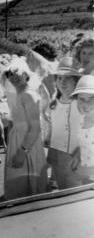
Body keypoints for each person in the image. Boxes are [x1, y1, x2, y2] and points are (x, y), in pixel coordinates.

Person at [0, 57, 48, 200]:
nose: (12, 77)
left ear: (26, 74)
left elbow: (35, 127)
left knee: (23, 183)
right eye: (9, 74)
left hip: (26, 144)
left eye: (16, 73)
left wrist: (22, 152)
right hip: (20, 140)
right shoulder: (21, 94)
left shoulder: (27, 95)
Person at [45, 57, 83, 190]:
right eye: (59, 78)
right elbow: (54, 129)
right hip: (57, 155)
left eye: (67, 77)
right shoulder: (54, 103)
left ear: (76, 81)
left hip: (76, 156)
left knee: (75, 193)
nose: (62, 81)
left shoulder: (83, 103)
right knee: (63, 188)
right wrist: (48, 139)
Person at [70, 75, 94, 184]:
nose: (86, 104)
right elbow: (86, 143)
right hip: (85, 177)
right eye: (82, 99)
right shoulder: (81, 120)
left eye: (91, 99)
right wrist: (78, 154)